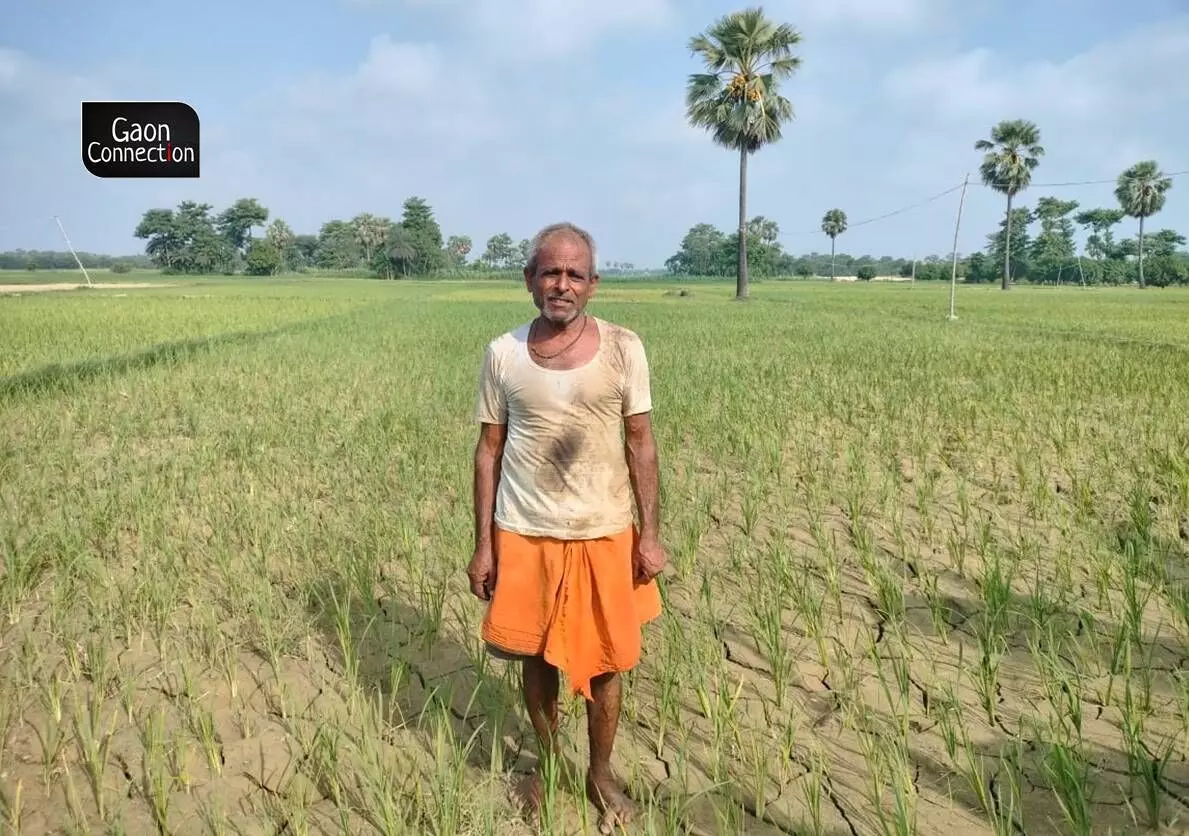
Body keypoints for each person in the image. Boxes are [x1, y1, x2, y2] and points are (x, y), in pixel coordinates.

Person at [466, 221, 667, 832]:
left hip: (605, 529)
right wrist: (483, 546)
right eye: (549, 272)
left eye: (574, 274)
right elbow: (488, 453)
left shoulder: (623, 347)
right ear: (529, 281)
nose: (561, 284)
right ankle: (550, 761)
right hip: (524, 531)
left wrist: (650, 534)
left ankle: (599, 772)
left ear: (593, 284)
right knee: (535, 656)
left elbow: (641, 444)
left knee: (605, 663)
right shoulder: (502, 354)